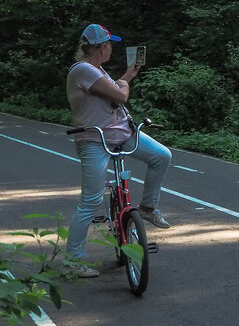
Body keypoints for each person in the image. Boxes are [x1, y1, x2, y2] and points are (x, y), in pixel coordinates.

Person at [64, 23, 173, 278]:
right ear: (102, 47)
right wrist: (123, 87)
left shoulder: (97, 71)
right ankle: (73, 260)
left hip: (123, 134)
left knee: (161, 156)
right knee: (90, 201)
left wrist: (126, 76)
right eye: (110, 44)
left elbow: (115, 91)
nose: (111, 48)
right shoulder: (82, 70)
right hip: (95, 141)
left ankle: (147, 207)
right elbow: (121, 97)